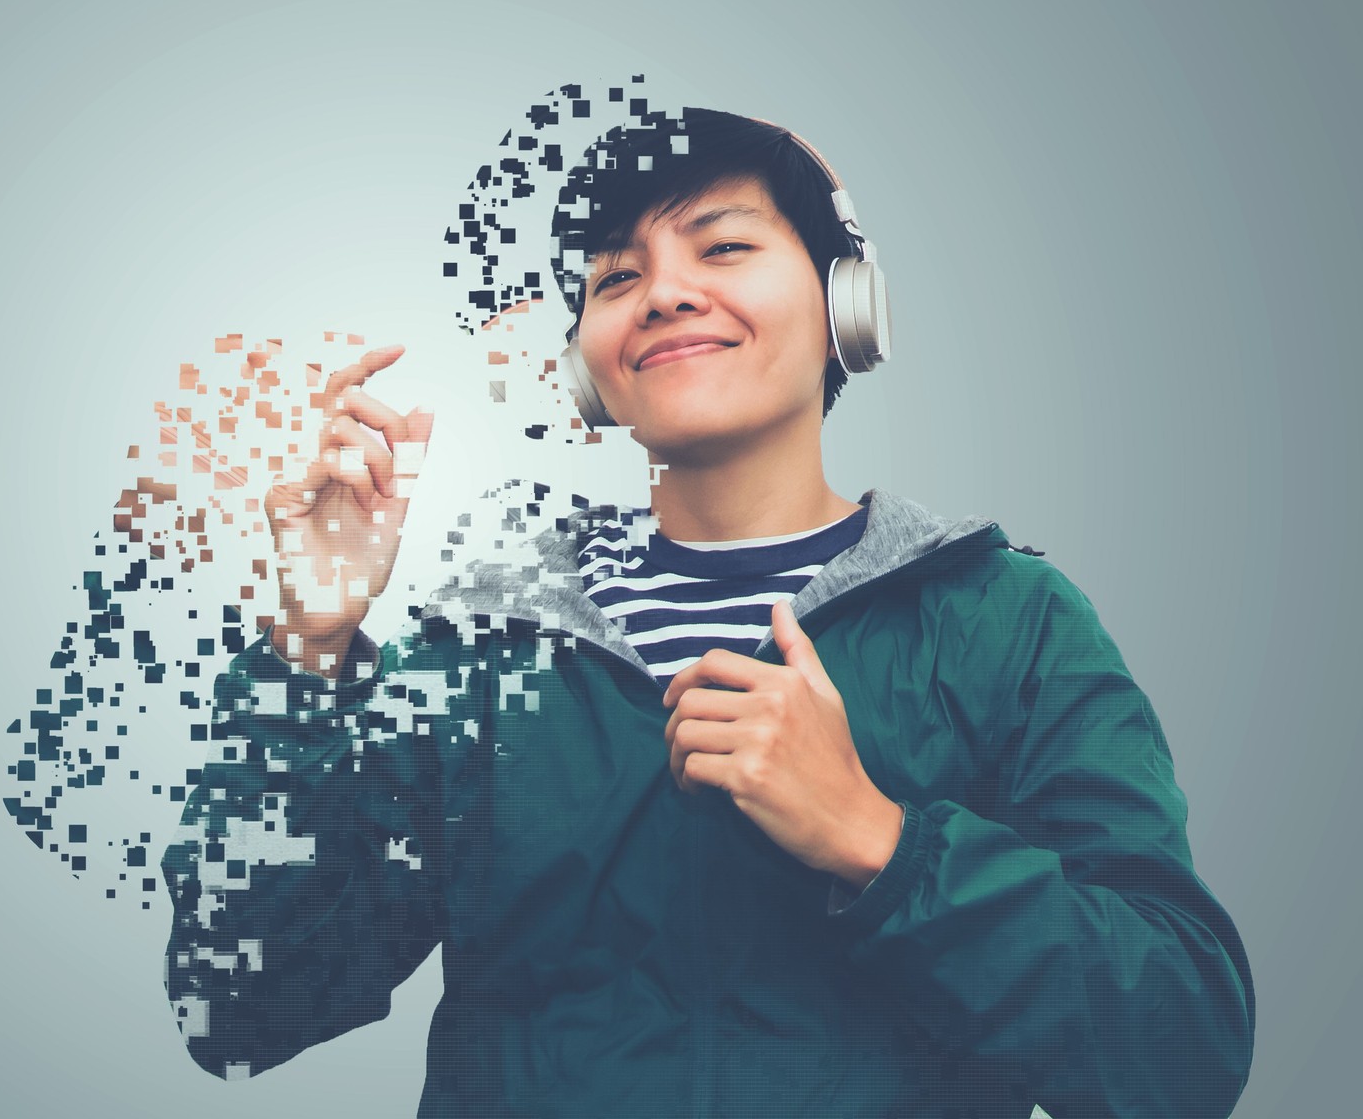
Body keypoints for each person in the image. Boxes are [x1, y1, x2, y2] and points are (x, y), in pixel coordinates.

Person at [160, 107, 1256, 1117]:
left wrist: (879, 842)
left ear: (848, 304)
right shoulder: (480, 658)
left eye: (723, 247)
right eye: (616, 274)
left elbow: (1184, 1052)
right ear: (591, 365)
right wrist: (308, 649)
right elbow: (239, 1006)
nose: (666, 292)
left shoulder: (1008, 624)